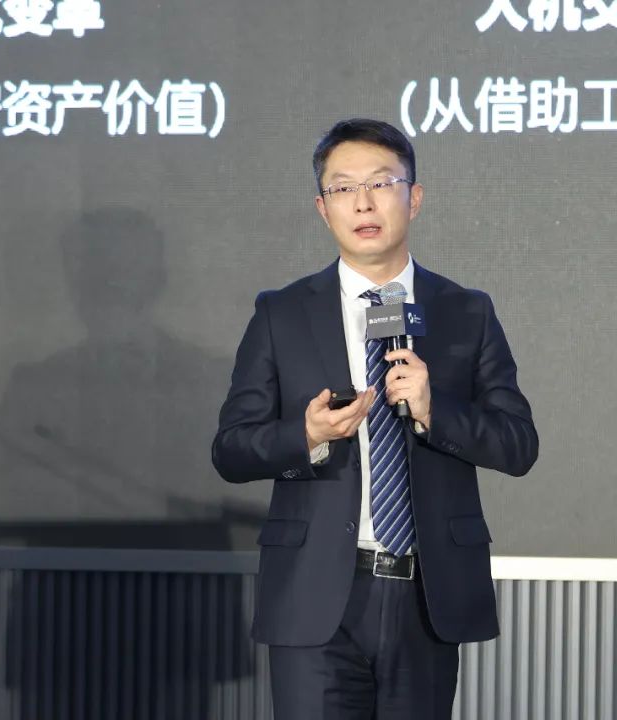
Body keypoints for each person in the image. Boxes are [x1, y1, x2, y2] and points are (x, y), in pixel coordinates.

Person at [211, 118, 539, 719]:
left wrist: (436, 410)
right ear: (323, 208)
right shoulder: (282, 313)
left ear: (414, 197)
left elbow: (518, 445)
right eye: (343, 188)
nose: (363, 202)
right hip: (314, 594)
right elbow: (232, 449)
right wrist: (306, 435)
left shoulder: (466, 311)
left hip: (426, 595)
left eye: (381, 183)